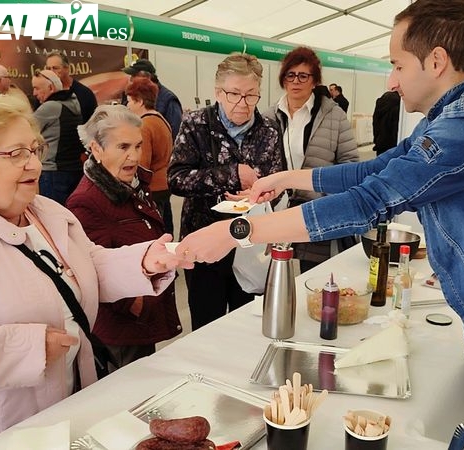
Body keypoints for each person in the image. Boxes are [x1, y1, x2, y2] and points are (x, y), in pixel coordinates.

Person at [177, 1, 464, 448]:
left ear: (436, 61)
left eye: (398, 64)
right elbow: (372, 170)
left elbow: (370, 200)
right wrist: (285, 177)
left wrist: (237, 231)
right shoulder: (451, 117)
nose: (392, 80)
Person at [0, 95, 185, 449]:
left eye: (35, 150)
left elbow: (87, 266)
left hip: (61, 409)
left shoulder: (47, 211)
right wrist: (28, 348)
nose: (35, 165)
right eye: (16, 154)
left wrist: (144, 261)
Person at [167, 53, 284, 330]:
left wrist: (264, 193)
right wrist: (232, 174)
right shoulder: (196, 124)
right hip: (204, 241)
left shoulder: (269, 129)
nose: (243, 104)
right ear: (218, 92)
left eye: (251, 95)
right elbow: (176, 179)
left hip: (250, 241)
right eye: (234, 94)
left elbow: (278, 182)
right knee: (207, 326)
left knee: (247, 326)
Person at [66, 106, 181, 369]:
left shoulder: (134, 183)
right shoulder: (86, 201)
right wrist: (135, 305)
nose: (134, 156)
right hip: (121, 330)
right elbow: (91, 269)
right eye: (123, 147)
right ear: (96, 149)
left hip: (141, 319)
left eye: (138, 146)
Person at [262, 46, 358, 272]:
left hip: (316, 210)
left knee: (313, 277)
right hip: (277, 211)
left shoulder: (334, 115)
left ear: (314, 81)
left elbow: (350, 164)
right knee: (276, 276)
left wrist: (325, 192)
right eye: (290, 75)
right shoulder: (268, 115)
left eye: (303, 76)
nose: (296, 81)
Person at [125, 77, 175, 235]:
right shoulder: (161, 119)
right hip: (165, 184)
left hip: (152, 187)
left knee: (155, 232)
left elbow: (141, 164)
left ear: (139, 101)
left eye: (129, 101)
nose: (127, 106)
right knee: (166, 226)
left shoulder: (144, 125)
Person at [31, 69, 83, 205]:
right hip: (73, 169)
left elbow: (26, 131)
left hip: (52, 173)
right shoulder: (74, 102)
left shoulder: (50, 107)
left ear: (51, 87)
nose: (34, 93)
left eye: (37, 88)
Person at [122, 59, 183, 138]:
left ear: (147, 77)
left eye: (134, 76)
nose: (130, 79)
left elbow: (176, 132)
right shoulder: (131, 94)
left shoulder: (169, 100)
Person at [45, 50, 98, 123]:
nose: (51, 72)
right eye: (48, 69)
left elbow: (93, 124)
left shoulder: (85, 93)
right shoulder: (44, 92)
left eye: (55, 68)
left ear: (67, 68)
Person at [372, 90, 401, 155]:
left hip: (380, 142)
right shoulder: (398, 104)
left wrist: (376, 139)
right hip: (393, 144)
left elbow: (375, 124)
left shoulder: (381, 102)